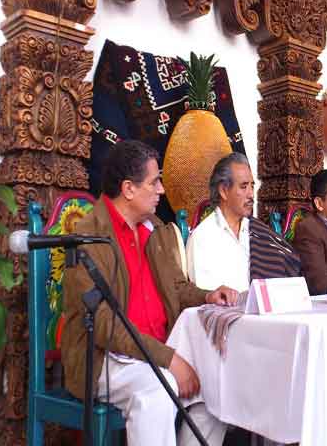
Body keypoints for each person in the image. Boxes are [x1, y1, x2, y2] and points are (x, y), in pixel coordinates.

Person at [62, 140, 240, 446]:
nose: (161, 190)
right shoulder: (89, 235)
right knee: (157, 388)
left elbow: (177, 289)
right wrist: (169, 360)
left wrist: (207, 296)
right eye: (154, 182)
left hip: (162, 345)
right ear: (129, 189)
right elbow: (104, 325)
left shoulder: (155, 228)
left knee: (221, 383)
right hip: (104, 356)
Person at [186, 152, 301, 293]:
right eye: (243, 186)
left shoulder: (258, 231)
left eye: (252, 186)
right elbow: (208, 297)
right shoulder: (202, 237)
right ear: (224, 191)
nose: (251, 194)